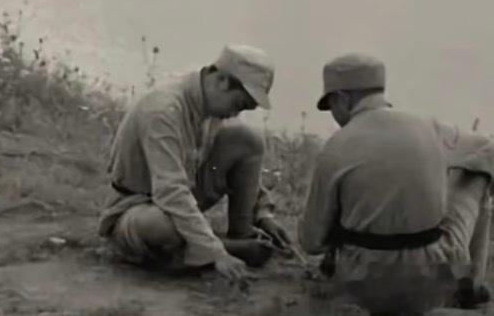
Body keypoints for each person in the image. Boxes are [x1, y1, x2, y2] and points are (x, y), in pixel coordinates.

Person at [299, 52, 494, 315]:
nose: (333, 114)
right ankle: (472, 286)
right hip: (430, 284)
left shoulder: (335, 147)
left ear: (343, 98)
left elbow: (312, 242)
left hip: (360, 288)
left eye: (331, 104)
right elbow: (486, 149)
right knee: (475, 175)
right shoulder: (428, 127)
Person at [99, 44, 292, 286]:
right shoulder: (163, 110)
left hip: (178, 196)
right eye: (239, 104)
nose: (236, 113)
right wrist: (217, 252)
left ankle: (241, 236)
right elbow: (170, 191)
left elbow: (225, 158)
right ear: (222, 81)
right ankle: (226, 248)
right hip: (137, 207)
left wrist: (262, 214)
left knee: (247, 138)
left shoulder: (208, 95)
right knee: (160, 225)